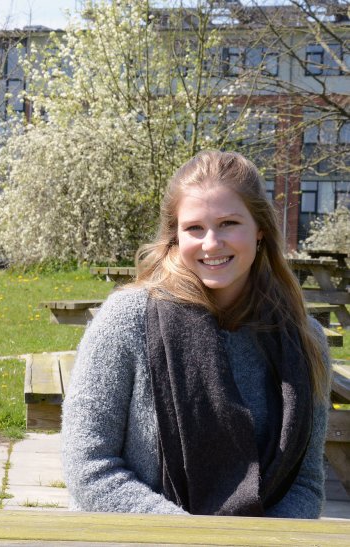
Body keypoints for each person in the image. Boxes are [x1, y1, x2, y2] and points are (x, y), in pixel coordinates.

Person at [61, 150, 331, 518]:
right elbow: (89, 466)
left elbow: (306, 483)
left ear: (260, 230)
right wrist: (193, 538)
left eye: (229, 223)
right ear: (175, 236)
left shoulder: (304, 340)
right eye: (194, 228)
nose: (211, 243)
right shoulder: (126, 320)